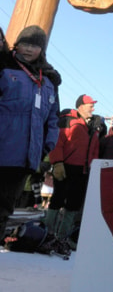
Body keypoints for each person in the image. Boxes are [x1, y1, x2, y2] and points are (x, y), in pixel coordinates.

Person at [0, 25, 61, 243]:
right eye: (24, 43)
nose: (28, 49)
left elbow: (53, 118)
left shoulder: (49, 79)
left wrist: (47, 147)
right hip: (3, 146)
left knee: (5, 208)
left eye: (34, 46)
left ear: (41, 50)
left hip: (23, 158)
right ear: (16, 44)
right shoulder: (4, 65)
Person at [44, 94, 103, 253]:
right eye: (90, 105)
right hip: (65, 167)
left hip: (82, 170)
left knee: (73, 204)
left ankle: (62, 238)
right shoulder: (67, 120)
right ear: (81, 106)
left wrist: (92, 167)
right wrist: (57, 163)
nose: (93, 108)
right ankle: (47, 234)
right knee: (57, 199)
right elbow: (57, 141)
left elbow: (94, 150)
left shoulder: (92, 126)